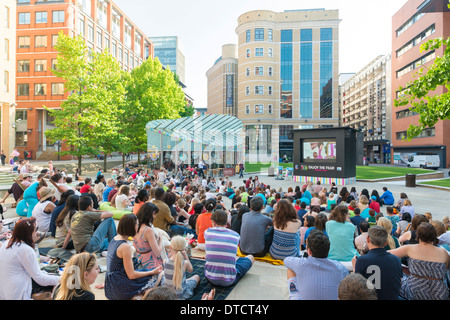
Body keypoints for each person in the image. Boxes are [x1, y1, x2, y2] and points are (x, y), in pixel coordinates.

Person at [105, 214, 164, 300]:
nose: (138, 227)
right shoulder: (125, 247)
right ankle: (141, 296)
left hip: (110, 285)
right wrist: (152, 272)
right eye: (137, 224)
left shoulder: (115, 238)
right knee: (156, 276)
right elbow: (131, 275)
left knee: (143, 270)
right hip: (118, 287)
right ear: (131, 227)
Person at [0, 217, 60, 300]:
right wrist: (61, 279)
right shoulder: (25, 250)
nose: (37, 232)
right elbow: (40, 279)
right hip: (17, 293)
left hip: (4, 292)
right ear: (28, 233)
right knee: (58, 282)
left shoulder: (7, 243)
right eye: (35, 229)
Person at [389, 222, 450, 300]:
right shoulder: (443, 252)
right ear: (434, 235)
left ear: (418, 235)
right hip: (438, 293)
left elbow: (385, 254)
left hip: (415, 290)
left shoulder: (410, 248)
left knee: (399, 278)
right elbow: (444, 271)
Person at [284, 229, 349, 300]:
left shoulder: (301, 264)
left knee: (290, 269)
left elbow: (286, 260)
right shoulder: (339, 267)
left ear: (309, 251)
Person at [204, 209, 254, 286]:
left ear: (213, 222)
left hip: (210, 278)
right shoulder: (236, 235)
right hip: (229, 280)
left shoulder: (207, 232)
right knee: (250, 257)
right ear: (226, 221)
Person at [352, 225, 403, 300]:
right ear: (386, 243)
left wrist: (354, 267)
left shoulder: (362, 260)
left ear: (368, 239)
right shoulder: (396, 260)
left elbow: (355, 287)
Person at [163, 235, 199, 300]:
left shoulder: (165, 261)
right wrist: (185, 256)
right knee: (196, 277)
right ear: (184, 249)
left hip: (168, 295)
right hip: (180, 295)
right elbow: (191, 270)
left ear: (170, 247)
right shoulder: (185, 263)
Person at [133, 202, 165, 270]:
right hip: (149, 264)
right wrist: (161, 239)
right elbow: (158, 253)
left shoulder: (135, 225)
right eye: (154, 214)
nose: (155, 216)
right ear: (149, 214)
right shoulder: (148, 230)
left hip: (138, 260)